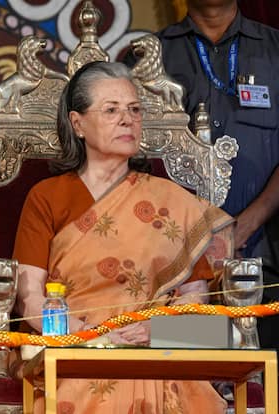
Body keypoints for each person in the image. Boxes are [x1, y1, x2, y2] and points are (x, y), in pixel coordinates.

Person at [12, 61, 233, 413]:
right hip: (77, 350)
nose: (127, 120)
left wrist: (155, 331)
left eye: (134, 110)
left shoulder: (171, 202)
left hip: (159, 348)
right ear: (78, 123)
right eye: (111, 110)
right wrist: (95, 338)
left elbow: (196, 303)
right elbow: (31, 302)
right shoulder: (47, 197)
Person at [155, 0, 279, 383]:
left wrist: (242, 228)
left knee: (264, 378)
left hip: (266, 256)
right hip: (178, 267)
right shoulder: (150, 56)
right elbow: (135, 164)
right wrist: (197, 237)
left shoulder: (274, 49)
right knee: (195, 378)